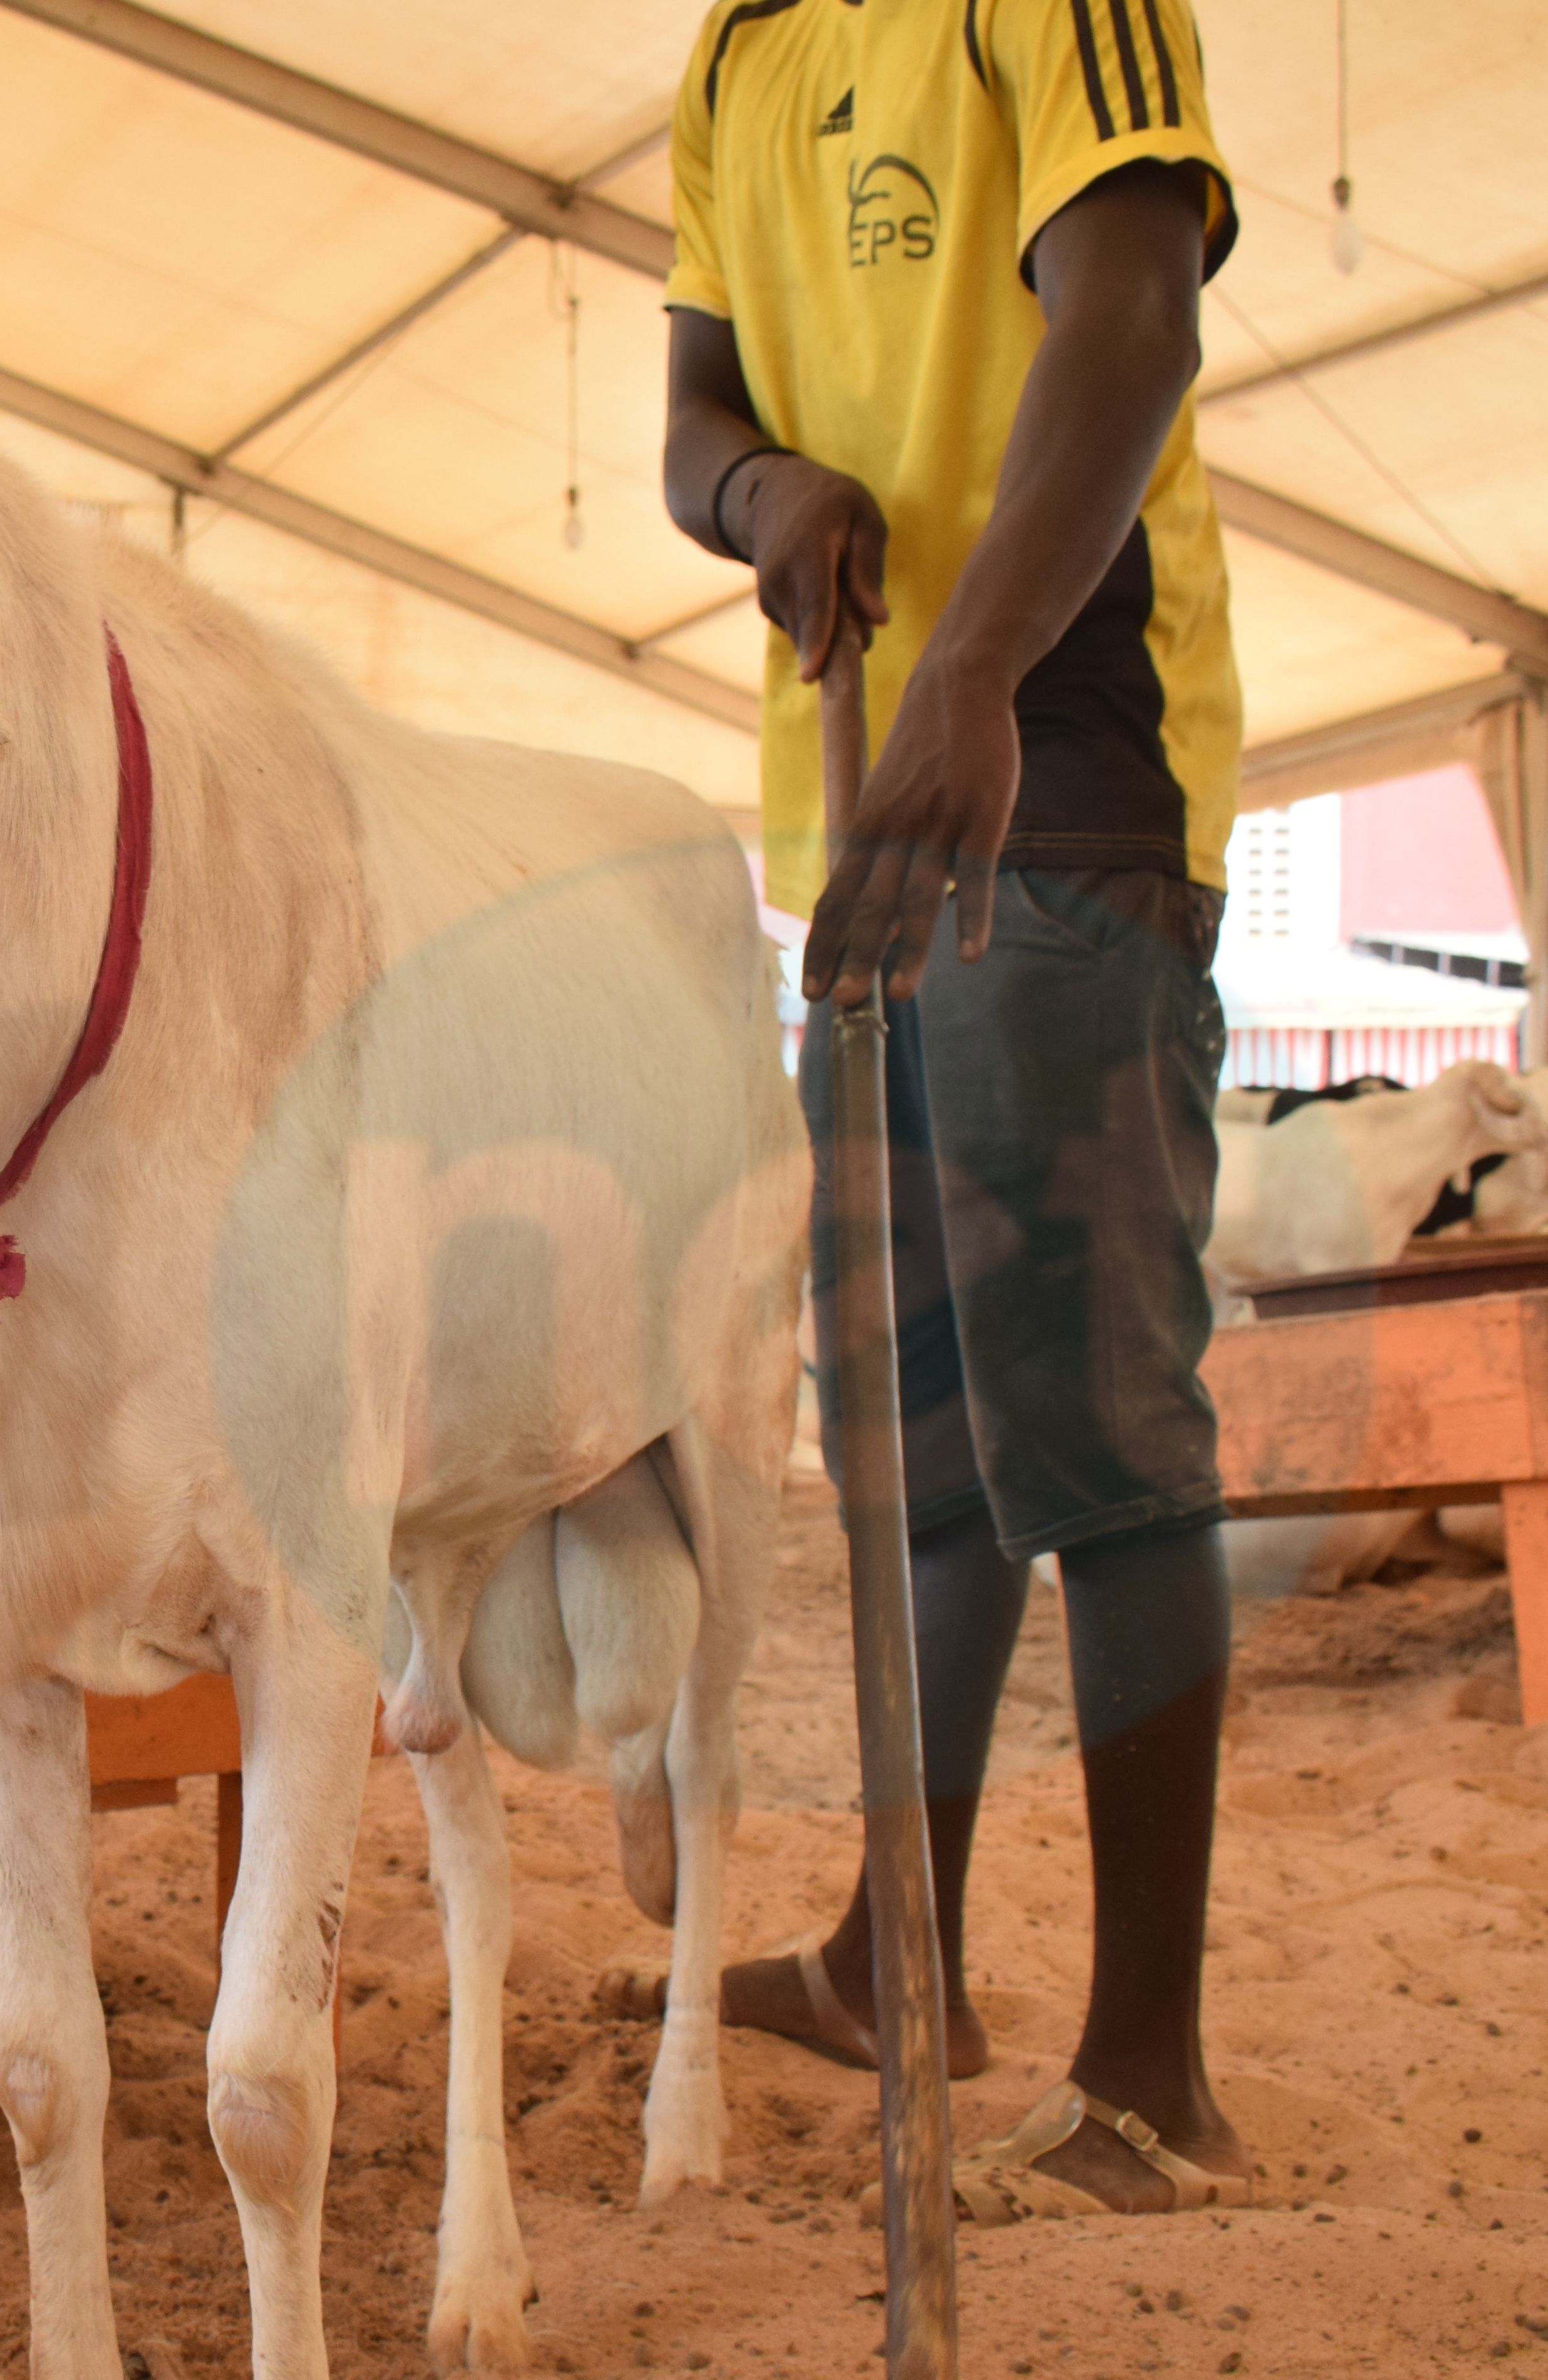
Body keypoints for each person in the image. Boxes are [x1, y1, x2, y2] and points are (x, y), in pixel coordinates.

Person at [644, 0, 1255, 2220]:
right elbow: (693, 418)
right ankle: (903, 1961)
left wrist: (978, 674)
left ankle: (1150, 2066)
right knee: (914, 1446)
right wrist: (761, 489)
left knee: (1095, 1433)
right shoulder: (731, 52)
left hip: (1060, 771)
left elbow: (1138, 305)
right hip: (869, 809)